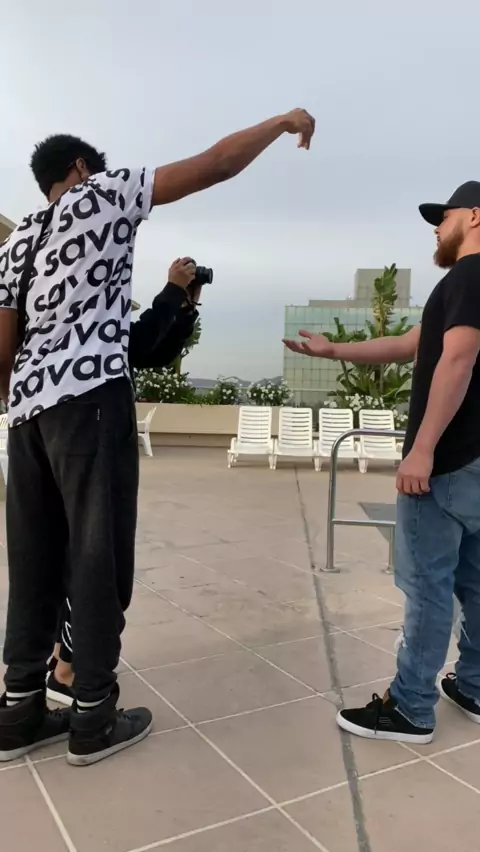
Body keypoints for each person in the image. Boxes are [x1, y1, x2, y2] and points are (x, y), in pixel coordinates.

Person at [0, 108, 315, 766]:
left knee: (32, 560)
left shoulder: (18, 240)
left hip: (27, 414)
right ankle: (92, 714)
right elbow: (216, 164)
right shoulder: (103, 195)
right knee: (97, 556)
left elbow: (4, 341)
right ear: (82, 168)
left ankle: (18, 710)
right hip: (90, 401)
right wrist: (281, 122)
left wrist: (20, 400)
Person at [284, 181, 480, 744]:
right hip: (475, 463)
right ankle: (474, 685)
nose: (437, 228)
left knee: (426, 586)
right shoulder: (468, 286)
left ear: (474, 216)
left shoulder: (468, 276)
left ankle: (411, 707)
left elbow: (458, 359)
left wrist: (423, 448)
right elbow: (412, 343)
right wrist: (334, 350)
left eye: (444, 217)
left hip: (447, 463)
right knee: (474, 581)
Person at [47, 256, 200, 706]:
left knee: (73, 553)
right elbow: (141, 339)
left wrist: (184, 308)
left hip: (68, 434)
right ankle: (69, 672)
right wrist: (172, 291)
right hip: (87, 438)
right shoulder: (82, 314)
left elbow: (149, 352)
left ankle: (59, 659)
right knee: (95, 556)